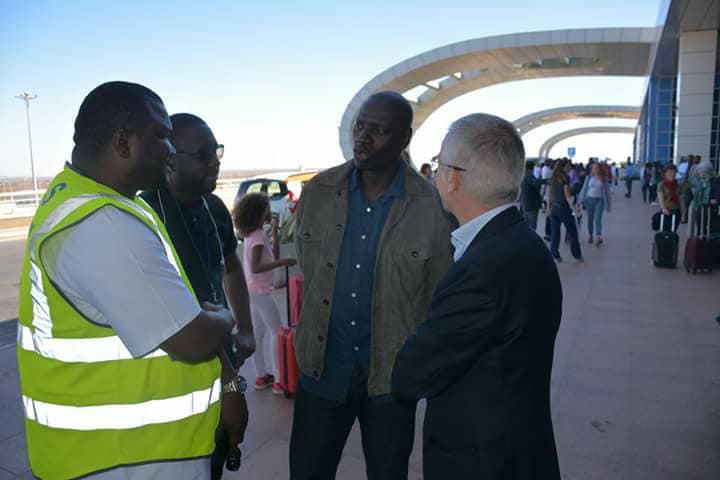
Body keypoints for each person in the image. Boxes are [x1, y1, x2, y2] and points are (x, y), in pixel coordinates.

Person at [16, 82, 249, 479]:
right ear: (123, 142)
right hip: (121, 462)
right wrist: (224, 319)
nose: (170, 149)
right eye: (161, 136)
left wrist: (226, 384)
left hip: (126, 455)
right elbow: (191, 340)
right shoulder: (102, 224)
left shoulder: (102, 203)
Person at [289, 91, 454, 480]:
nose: (362, 137)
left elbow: (438, 297)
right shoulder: (318, 193)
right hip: (322, 369)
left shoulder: (431, 207)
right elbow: (309, 272)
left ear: (403, 139)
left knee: (388, 472)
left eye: (377, 130)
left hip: (390, 381)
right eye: (360, 126)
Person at [392, 113, 562, 480]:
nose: (435, 173)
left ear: (453, 178)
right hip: (521, 448)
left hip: (481, 460)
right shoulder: (528, 245)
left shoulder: (480, 270)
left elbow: (411, 374)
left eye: (438, 163)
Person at [140, 113, 255, 480]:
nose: (215, 161)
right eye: (204, 153)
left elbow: (233, 265)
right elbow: (180, 319)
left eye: (216, 150)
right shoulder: (146, 213)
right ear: (170, 158)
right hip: (181, 367)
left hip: (218, 352)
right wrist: (232, 382)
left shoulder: (215, 207)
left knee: (216, 456)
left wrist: (247, 328)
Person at [232, 193, 297, 394]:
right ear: (258, 212)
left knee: (259, 333)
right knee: (277, 331)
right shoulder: (258, 236)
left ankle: (262, 376)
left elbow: (272, 255)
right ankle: (279, 379)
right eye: (265, 209)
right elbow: (257, 266)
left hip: (253, 290)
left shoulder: (251, 233)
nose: (268, 212)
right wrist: (284, 263)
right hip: (261, 290)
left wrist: (275, 232)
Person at [548, 158, 583, 262]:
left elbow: (550, 193)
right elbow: (567, 195)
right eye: (568, 165)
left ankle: (554, 254)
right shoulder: (565, 177)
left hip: (554, 208)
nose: (569, 167)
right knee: (573, 232)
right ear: (563, 166)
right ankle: (577, 255)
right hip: (563, 208)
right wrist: (574, 207)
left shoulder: (553, 177)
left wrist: (548, 208)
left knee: (555, 233)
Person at [579, 162, 611, 246]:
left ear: (600, 169)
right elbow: (584, 189)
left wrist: (608, 205)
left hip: (599, 201)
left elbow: (607, 192)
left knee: (597, 219)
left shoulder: (604, 179)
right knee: (590, 219)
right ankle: (590, 235)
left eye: (597, 168)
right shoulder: (588, 178)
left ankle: (598, 237)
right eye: (594, 168)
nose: (595, 170)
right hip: (589, 200)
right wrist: (580, 200)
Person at [688, 160, 715, 236]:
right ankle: (699, 237)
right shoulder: (701, 181)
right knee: (699, 224)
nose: (699, 174)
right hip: (700, 206)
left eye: (700, 172)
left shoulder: (712, 181)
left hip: (708, 207)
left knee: (706, 225)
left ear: (706, 171)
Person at [657, 164, 683, 232]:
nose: (672, 174)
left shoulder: (678, 185)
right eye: (670, 172)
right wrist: (663, 208)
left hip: (676, 211)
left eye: (674, 172)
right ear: (665, 173)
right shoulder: (661, 185)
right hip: (666, 211)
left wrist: (683, 212)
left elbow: (680, 199)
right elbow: (660, 198)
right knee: (664, 230)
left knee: (673, 230)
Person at [520, 160, 543, 230]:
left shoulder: (523, 175)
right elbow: (535, 183)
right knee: (532, 227)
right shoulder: (529, 175)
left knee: (526, 227)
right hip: (531, 206)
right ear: (533, 167)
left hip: (525, 205)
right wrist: (542, 179)